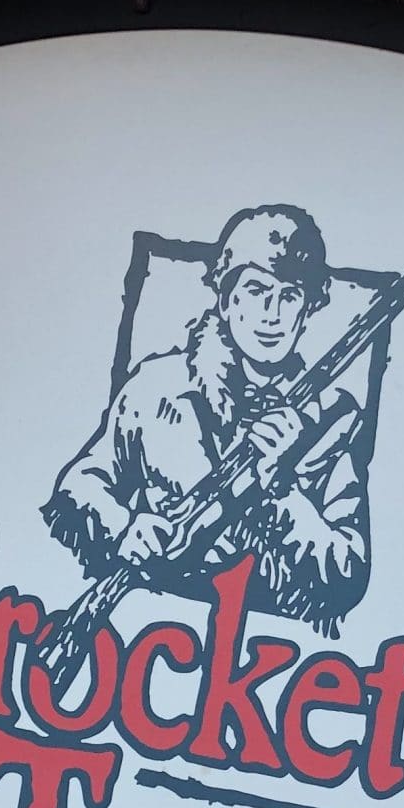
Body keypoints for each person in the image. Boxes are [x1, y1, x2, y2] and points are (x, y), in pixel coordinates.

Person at [44, 205, 368, 631]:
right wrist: (125, 528)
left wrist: (282, 490)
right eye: (256, 290)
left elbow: (348, 574)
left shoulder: (333, 416)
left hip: (260, 644)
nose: (272, 314)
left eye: (289, 296)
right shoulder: (157, 384)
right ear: (226, 296)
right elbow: (80, 484)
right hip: (146, 625)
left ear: (308, 309)